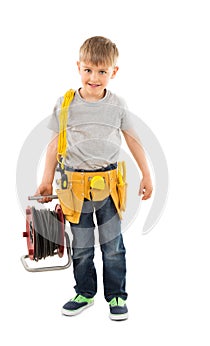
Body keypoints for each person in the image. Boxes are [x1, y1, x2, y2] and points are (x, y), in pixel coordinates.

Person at [35, 36, 153, 321]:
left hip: (109, 187)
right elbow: (54, 144)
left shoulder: (118, 105)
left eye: (102, 71)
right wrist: (46, 179)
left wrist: (147, 174)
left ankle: (116, 295)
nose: (94, 77)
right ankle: (85, 292)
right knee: (82, 245)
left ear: (114, 72)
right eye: (88, 70)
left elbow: (134, 140)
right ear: (78, 67)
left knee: (113, 246)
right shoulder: (66, 104)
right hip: (74, 188)